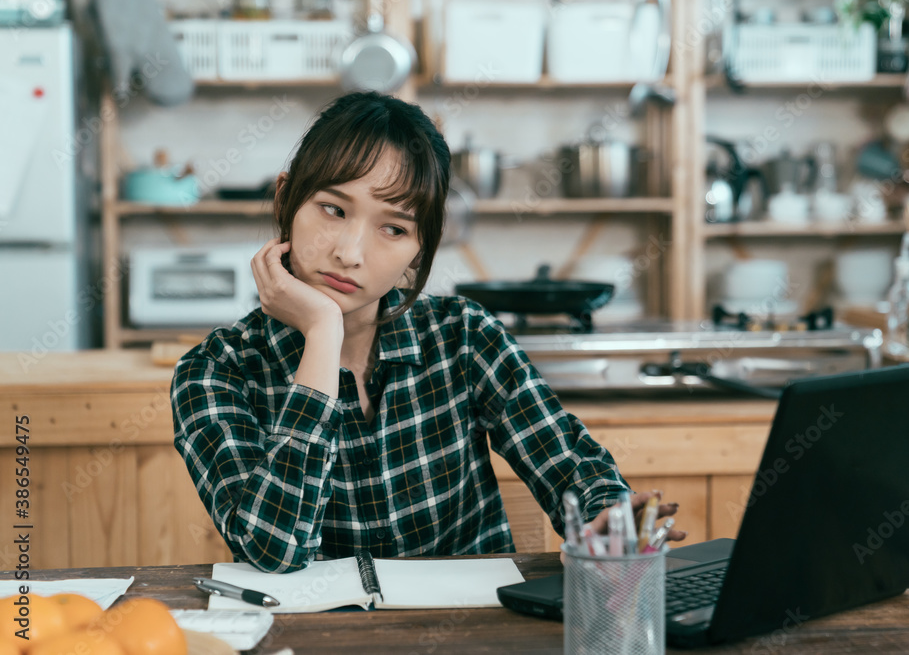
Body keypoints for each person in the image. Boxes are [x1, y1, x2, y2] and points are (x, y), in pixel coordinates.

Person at [171, 91, 684, 573]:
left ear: (420, 249)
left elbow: (569, 462)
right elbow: (274, 551)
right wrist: (322, 332)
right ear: (287, 200)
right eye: (333, 209)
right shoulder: (216, 373)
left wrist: (608, 517)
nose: (350, 253)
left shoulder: (463, 336)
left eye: (393, 228)